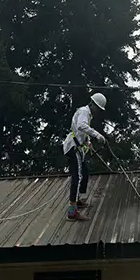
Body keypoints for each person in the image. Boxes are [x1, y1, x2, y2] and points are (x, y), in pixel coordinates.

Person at [62, 92, 107, 221]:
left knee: (85, 172)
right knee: (78, 176)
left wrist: (88, 142)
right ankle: (72, 212)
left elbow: (80, 130)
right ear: (93, 104)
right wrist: (97, 135)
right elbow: (81, 126)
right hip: (73, 147)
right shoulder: (84, 111)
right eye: (98, 109)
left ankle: (76, 200)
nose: (98, 112)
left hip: (78, 147)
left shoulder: (87, 114)